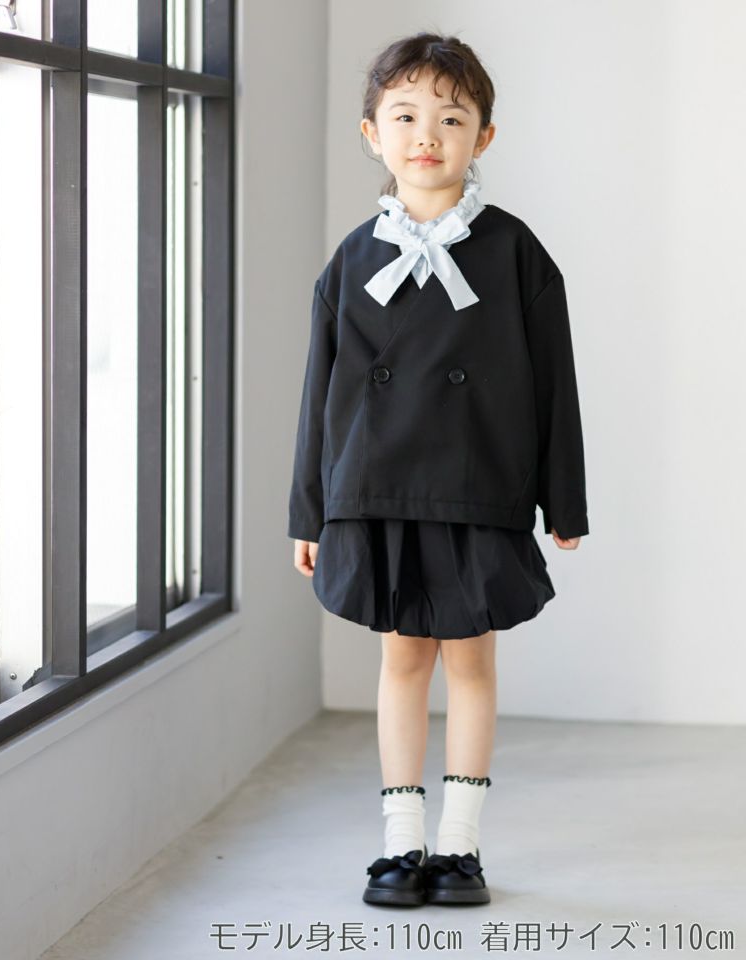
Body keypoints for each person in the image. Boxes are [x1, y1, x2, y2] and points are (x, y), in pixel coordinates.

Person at [287, 32, 589, 908]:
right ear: (371, 133)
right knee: (402, 662)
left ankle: (460, 847)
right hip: (376, 486)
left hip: (478, 485)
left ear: (483, 136)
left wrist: (563, 501)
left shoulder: (515, 251)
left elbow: (555, 382)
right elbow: (320, 394)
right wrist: (311, 509)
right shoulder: (353, 258)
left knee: (470, 663)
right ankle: (400, 844)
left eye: (452, 119)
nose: (427, 135)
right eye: (406, 116)